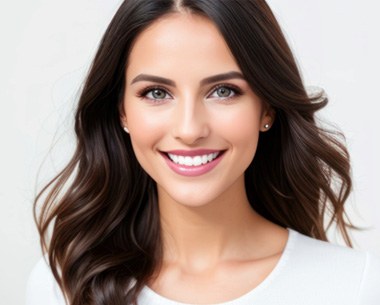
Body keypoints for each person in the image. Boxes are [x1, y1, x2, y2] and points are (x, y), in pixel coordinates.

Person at [27, 1, 380, 305]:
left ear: (267, 108)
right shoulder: (62, 286)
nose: (190, 129)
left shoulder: (353, 286)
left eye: (223, 91)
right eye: (156, 93)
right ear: (122, 112)